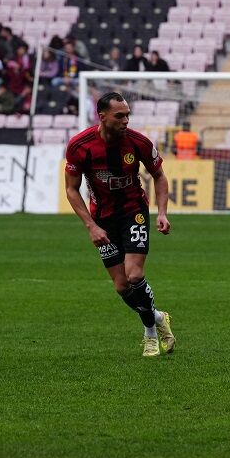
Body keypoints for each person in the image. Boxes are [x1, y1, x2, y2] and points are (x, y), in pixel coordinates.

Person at [64, 91, 175, 358]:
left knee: (134, 274)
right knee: (122, 286)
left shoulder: (138, 142)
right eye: (120, 116)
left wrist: (161, 212)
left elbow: (159, 176)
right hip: (102, 218)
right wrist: (91, 226)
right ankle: (159, 318)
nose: (126, 120)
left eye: (128, 115)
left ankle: (149, 334)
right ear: (102, 117)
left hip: (133, 211)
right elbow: (71, 189)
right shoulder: (80, 146)